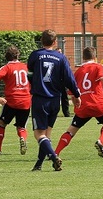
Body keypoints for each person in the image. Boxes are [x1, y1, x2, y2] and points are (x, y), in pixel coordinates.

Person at [55, 46, 103, 159]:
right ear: (95, 56)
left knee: (70, 131)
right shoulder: (99, 66)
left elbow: (72, 92)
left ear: (83, 57)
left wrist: (76, 105)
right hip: (98, 103)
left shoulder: (77, 72)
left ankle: (56, 152)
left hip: (83, 106)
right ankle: (100, 141)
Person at [27, 29, 81, 172]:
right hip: (55, 100)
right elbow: (70, 79)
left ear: (41, 41)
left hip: (40, 99)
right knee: (47, 133)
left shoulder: (35, 55)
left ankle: (53, 156)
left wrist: (36, 83)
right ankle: (38, 164)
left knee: (39, 134)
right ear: (55, 42)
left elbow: (30, 74)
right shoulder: (61, 58)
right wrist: (76, 94)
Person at [0, 46, 31, 156]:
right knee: (21, 126)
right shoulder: (26, 67)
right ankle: (22, 138)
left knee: (2, 124)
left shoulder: (6, 68)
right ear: (18, 55)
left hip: (11, 101)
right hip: (25, 101)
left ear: (6, 56)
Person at [56, 48, 71, 117]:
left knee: (64, 97)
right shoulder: (54, 59)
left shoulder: (64, 59)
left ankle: (66, 113)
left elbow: (68, 69)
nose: (59, 53)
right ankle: (54, 112)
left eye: (60, 52)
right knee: (55, 97)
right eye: (58, 52)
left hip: (63, 81)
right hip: (55, 81)